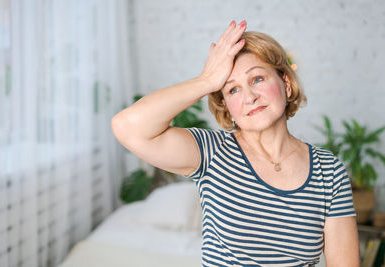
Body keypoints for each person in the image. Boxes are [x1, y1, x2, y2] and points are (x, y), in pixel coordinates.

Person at [111, 20, 360, 266]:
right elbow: (127, 127)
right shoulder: (211, 152)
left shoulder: (329, 171)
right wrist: (206, 81)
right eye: (233, 90)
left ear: (285, 83)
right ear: (227, 108)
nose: (250, 97)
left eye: (258, 79)